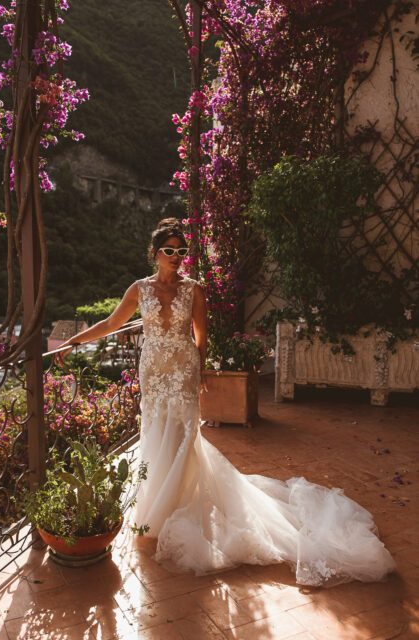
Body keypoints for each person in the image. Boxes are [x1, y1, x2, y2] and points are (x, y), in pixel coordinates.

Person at [58, 217, 396, 587]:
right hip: (153, 370)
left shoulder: (194, 290)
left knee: (185, 437)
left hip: (183, 370)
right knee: (155, 432)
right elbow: (110, 323)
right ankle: (157, 506)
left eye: (181, 251)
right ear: (155, 254)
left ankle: (177, 507)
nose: (176, 257)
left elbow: (201, 337)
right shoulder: (139, 289)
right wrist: (73, 342)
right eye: (168, 251)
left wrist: (197, 371)